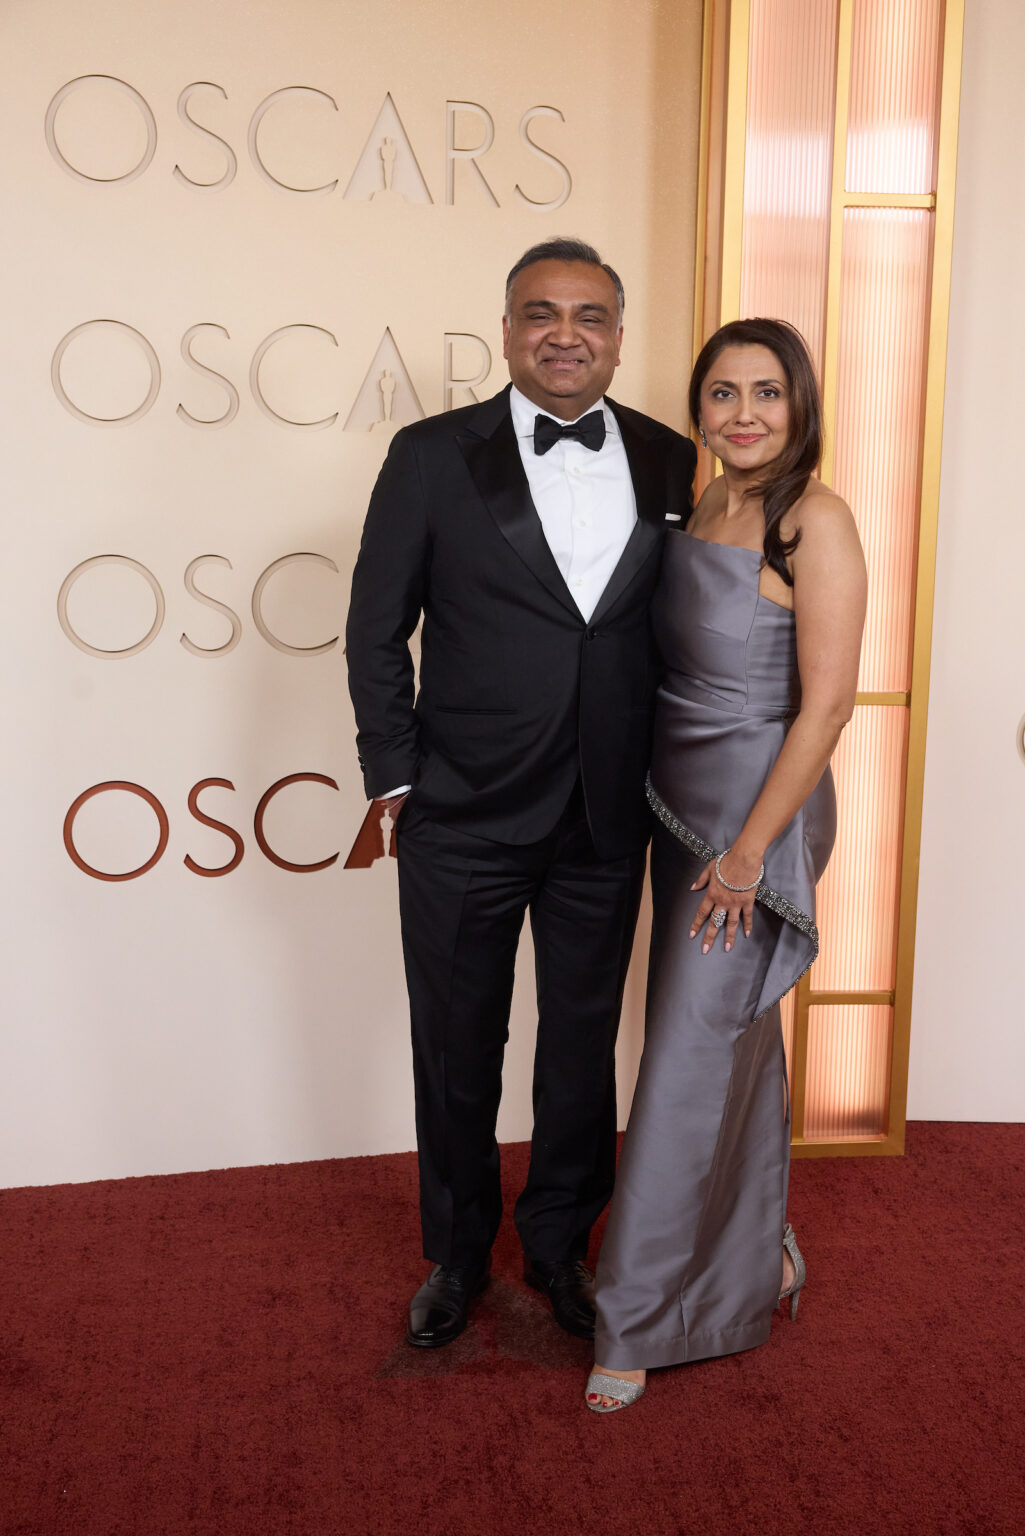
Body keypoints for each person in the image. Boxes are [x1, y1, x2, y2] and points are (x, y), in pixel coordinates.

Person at [345, 238, 697, 1349]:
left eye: (588, 316)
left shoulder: (670, 458)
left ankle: (557, 1248)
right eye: (540, 313)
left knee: (581, 1045)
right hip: (461, 813)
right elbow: (373, 629)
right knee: (457, 1043)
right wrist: (398, 778)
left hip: (606, 810)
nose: (564, 333)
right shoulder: (429, 454)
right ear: (504, 330)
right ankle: (455, 1254)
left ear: (617, 335)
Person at [586, 318, 866, 1411]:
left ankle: (640, 1314)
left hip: (756, 819)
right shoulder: (703, 501)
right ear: (697, 405)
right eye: (720, 393)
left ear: (798, 405)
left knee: (690, 1057)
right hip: (676, 806)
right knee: (720, 1044)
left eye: (764, 393)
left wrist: (750, 853)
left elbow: (829, 701)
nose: (741, 413)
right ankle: (756, 1257)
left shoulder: (813, 517)